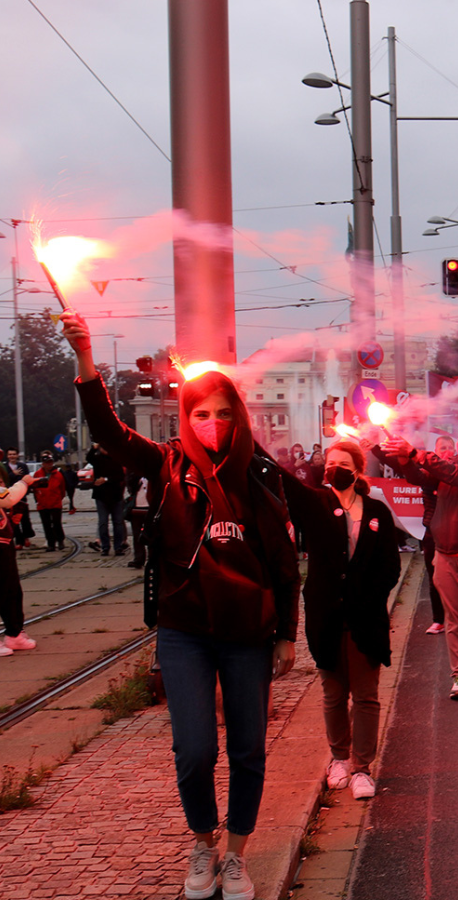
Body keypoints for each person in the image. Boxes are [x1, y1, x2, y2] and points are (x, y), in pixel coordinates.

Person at [64, 311, 300, 900]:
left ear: (237, 417)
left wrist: (288, 634)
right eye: (201, 413)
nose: (212, 423)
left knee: (247, 748)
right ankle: (203, 841)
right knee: (195, 750)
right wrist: (86, 357)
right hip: (184, 632)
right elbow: (110, 432)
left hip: (249, 633)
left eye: (223, 413)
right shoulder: (165, 464)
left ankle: (238, 854)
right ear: (185, 419)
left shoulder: (260, 478)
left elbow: (282, 565)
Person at [278, 441, 401, 801]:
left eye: (343, 464)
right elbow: (282, 479)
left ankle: (362, 767)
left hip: (366, 617)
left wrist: (369, 595)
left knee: (365, 695)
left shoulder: (377, 511)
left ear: (358, 470)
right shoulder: (316, 504)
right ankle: (339, 759)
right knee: (333, 693)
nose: (335, 469)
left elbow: (390, 566)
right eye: (330, 463)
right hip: (326, 614)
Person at [377, 421, 458, 700]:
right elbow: (420, 478)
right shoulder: (450, 466)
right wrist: (404, 458)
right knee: (453, 620)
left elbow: (457, 476)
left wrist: (417, 453)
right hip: (445, 555)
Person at [0, 469, 41, 657]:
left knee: (11, 591)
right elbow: (8, 498)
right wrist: (24, 482)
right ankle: (13, 632)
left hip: (4, 545)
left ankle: (14, 633)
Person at [418, 436, 454, 636]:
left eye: (450, 447)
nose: (447, 451)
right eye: (443, 448)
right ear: (436, 451)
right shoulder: (428, 472)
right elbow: (419, 476)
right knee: (434, 578)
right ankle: (438, 620)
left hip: (456, 532)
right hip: (432, 532)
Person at [85, 442, 128, 556]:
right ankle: (105, 546)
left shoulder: (116, 459)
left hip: (115, 495)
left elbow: (120, 476)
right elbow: (89, 458)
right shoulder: (97, 459)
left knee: (118, 522)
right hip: (101, 496)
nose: (105, 450)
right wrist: (93, 448)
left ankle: (118, 547)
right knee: (103, 523)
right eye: (102, 447)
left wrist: (106, 479)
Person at [1, 449, 34, 548]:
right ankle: (18, 541)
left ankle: (26, 537)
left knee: (25, 519)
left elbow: (27, 479)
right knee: (13, 520)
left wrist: (26, 491)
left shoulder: (23, 466)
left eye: (14, 454)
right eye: (10, 454)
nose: (12, 456)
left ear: (17, 455)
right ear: (7, 456)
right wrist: (13, 474)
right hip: (8, 495)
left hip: (21, 496)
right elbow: (5, 481)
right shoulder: (4, 467)